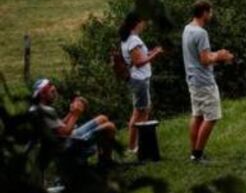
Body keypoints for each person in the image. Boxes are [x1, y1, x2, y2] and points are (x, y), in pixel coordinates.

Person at [183, 0, 235, 164]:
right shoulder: (201, 33)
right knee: (211, 117)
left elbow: (201, 56)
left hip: (192, 79)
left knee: (197, 115)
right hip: (204, 81)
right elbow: (205, 60)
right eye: (210, 12)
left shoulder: (187, 29)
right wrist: (220, 56)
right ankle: (198, 155)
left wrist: (216, 53)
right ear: (204, 12)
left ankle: (194, 153)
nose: (211, 15)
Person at [29, 78, 117, 166]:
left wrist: (71, 113)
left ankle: (105, 159)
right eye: (52, 92)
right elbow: (65, 133)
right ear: (43, 94)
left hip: (62, 140)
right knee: (110, 126)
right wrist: (76, 114)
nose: (55, 95)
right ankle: (105, 163)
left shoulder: (37, 108)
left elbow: (58, 126)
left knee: (102, 118)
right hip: (66, 145)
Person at [118, 11, 163, 155]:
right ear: (136, 23)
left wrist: (150, 52)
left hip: (137, 79)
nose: (145, 24)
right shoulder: (133, 40)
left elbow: (139, 57)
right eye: (143, 21)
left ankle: (138, 144)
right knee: (139, 114)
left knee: (142, 111)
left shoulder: (128, 39)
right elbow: (138, 62)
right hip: (140, 80)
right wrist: (156, 54)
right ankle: (134, 147)